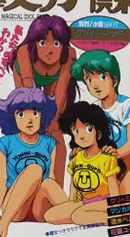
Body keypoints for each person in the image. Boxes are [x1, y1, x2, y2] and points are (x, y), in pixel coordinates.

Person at [0, 86, 63, 237]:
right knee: (35, 169)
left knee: (48, 182)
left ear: (42, 115)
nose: (29, 120)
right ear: (12, 117)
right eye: (21, 114)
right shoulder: (5, 143)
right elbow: (2, 179)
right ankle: (3, 223)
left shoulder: (49, 142)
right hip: (15, 209)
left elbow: (51, 177)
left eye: (35, 113)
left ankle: (77, 212)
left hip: (39, 207)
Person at [7, 15, 78, 186]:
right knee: (28, 127)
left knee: (55, 130)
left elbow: (60, 93)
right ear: (34, 43)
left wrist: (52, 122)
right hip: (26, 81)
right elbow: (29, 95)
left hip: (55, 82)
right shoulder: (24, 52)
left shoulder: (69, 54)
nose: (50, 50)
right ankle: (25, 185)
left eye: (56, 43)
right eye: (42, 42)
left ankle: (56, 188)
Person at [70, 49, 130, 194]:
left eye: (102, 77)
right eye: (89, 79)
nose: (95, 85)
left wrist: (114, 154)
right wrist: (82, 151)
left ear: (114, 79)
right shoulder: (92, 110)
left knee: (122, 200)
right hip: (107, 166)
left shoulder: (128, 105)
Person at [43, 101, 123, 226]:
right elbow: (74, 184)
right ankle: (88, 216)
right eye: (75, 130)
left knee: (78, 216)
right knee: (50, 216)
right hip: (85, 201)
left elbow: (113, 186)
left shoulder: (106, 158)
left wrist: (115, 206)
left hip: (105, 201)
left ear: (98, 133)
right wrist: (72, 203)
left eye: (88, 128)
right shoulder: (77, 157)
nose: (82, 135)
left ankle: (115, 219)